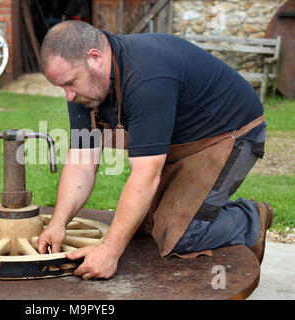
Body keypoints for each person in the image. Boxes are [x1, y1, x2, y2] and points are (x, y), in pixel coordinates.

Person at [37, 20, 273, 280]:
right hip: (178, 138)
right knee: (142, 226)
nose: (69, 96)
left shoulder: (146, 76)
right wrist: (58, 223)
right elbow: (81, 161)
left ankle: (250, 217)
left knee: (180, 235)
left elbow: (146, 175)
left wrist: (110, 251)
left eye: (70, 82)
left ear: (95, 57)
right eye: (62, 88)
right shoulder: (83, 90)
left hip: (230, 133)